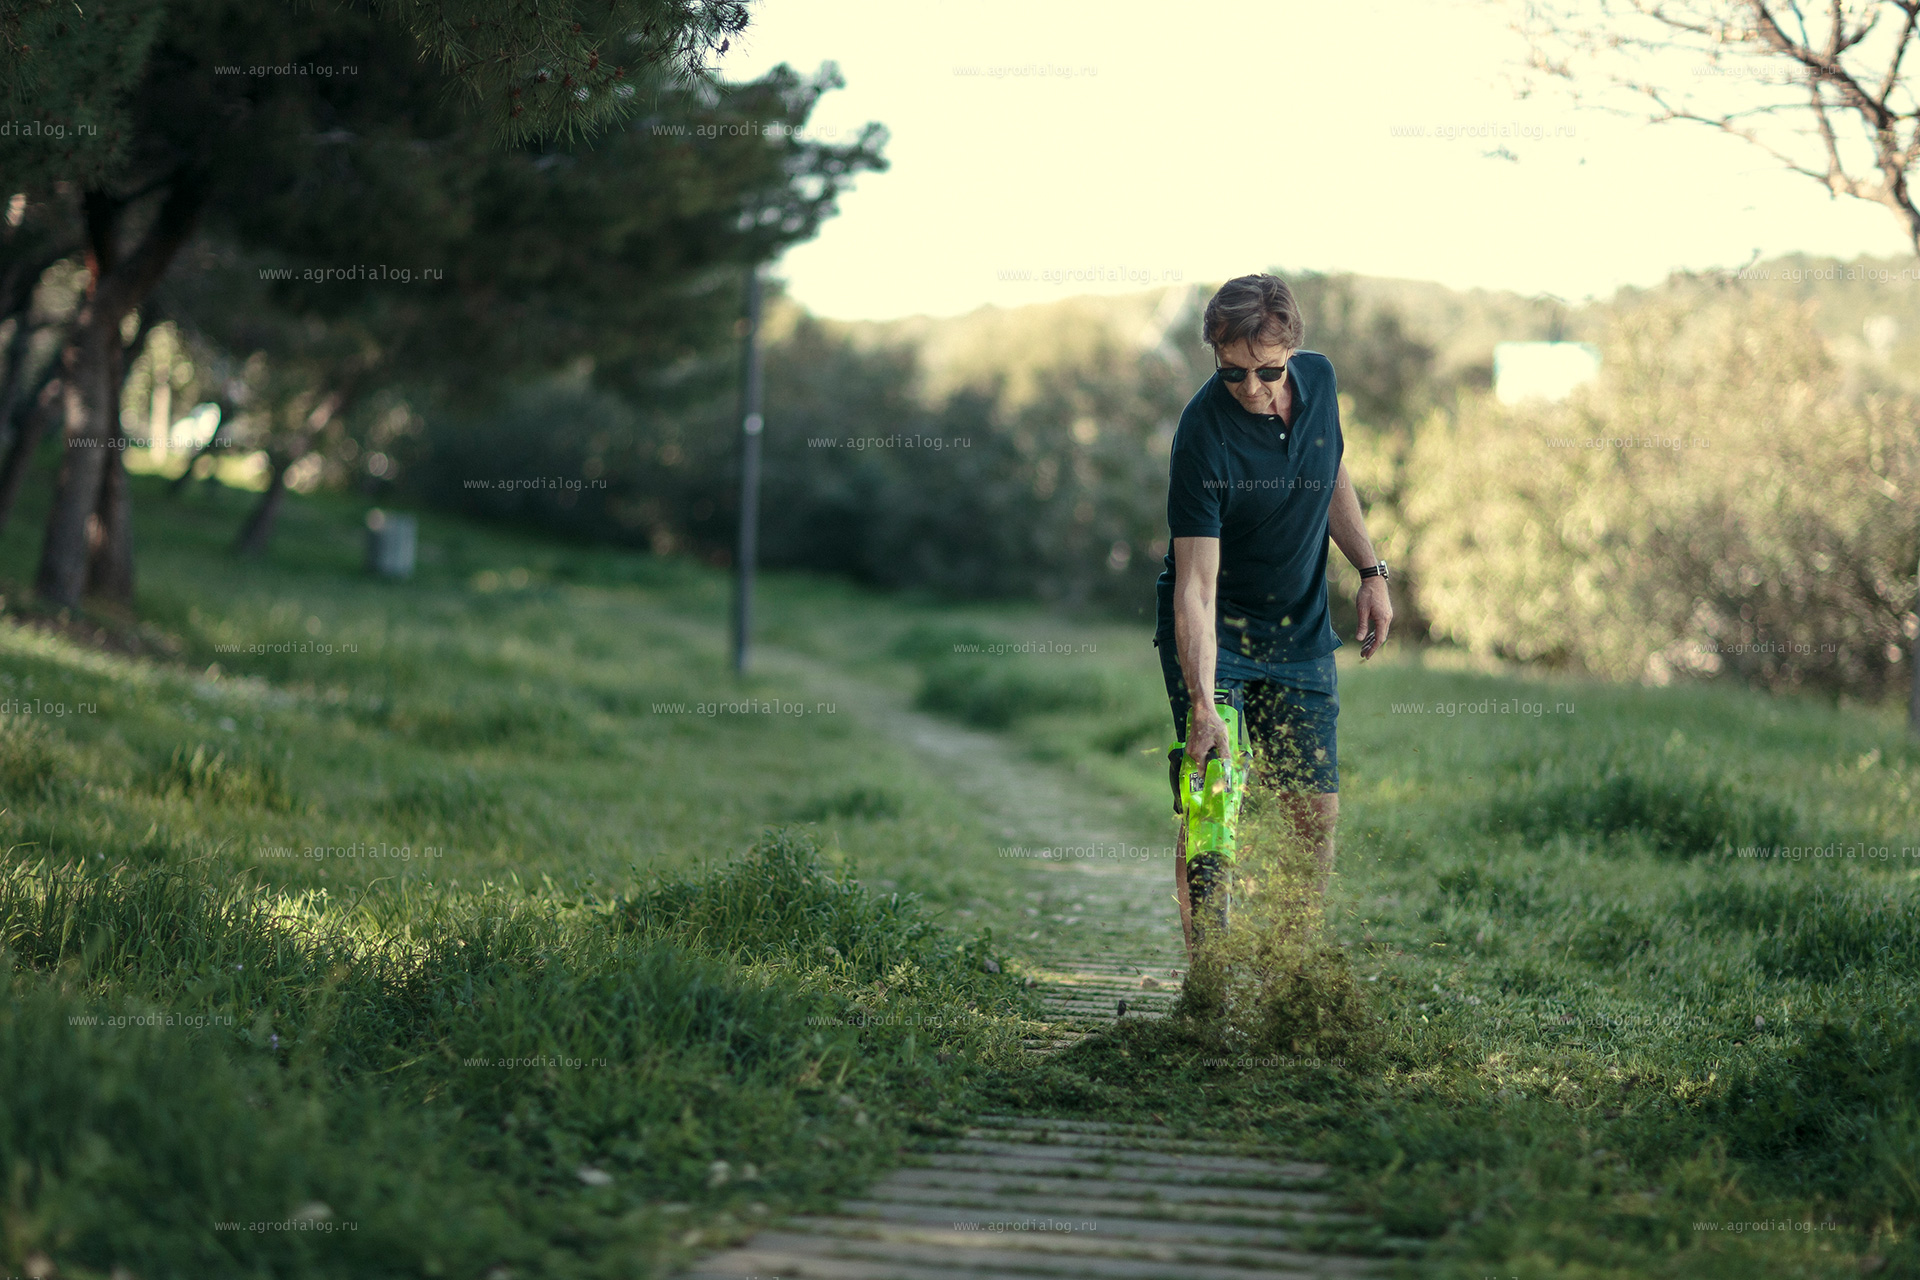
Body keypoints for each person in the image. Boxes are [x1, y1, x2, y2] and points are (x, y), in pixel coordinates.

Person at [1154, 273, 1393, 961]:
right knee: (1212, 801)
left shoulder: (1320, 380)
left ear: (1292, 351)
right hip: (1218, 634)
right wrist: (1204, 701)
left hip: (1300, 634)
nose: (1251, 388)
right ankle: (1209, 980)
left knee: (1314, 816)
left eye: (1267, 370)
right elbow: (1196, 587)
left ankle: (1290, 973)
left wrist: (1370, 571)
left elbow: (1330, 472)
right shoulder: (1202, 435)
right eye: (1232, 372)